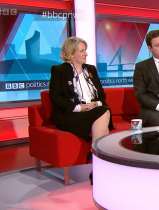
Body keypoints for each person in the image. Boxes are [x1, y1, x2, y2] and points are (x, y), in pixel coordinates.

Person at [49, 37, 115, 184]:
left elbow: (101, 95)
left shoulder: (90, 69)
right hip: (70, 114)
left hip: (92, 111)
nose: (86, 54)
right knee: (104, 111)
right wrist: (79, 107)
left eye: (85, 50)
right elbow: (55, 98)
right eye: (82, 51)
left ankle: (96, 163)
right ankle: (99, 162)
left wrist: (94, 104)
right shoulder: (59, 70)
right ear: (71, 54)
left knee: (103, 109)